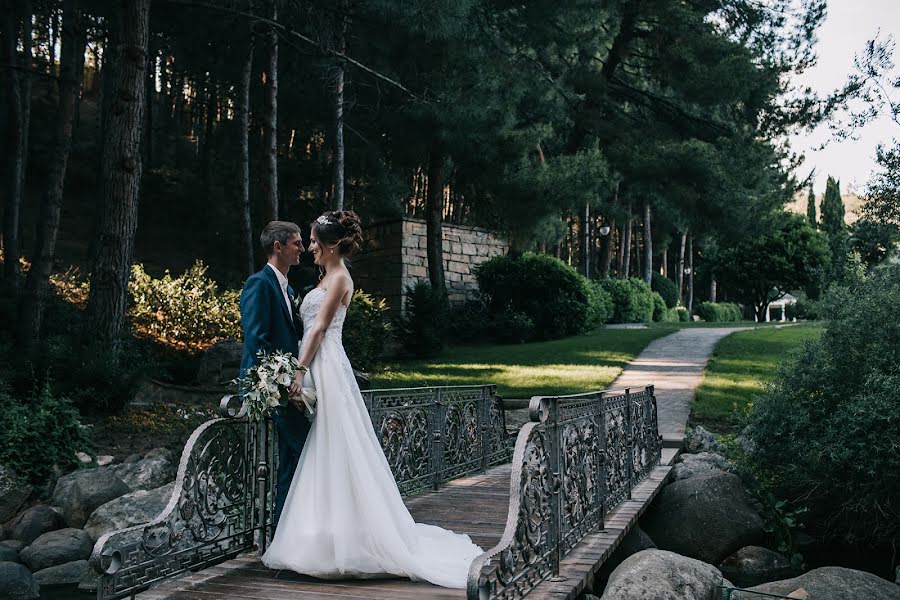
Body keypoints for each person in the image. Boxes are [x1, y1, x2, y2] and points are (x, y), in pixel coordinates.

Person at [262, 210, 482, 589]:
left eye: (314, 240)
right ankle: (325, 533)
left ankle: (348, 539)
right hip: (317, 363)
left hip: (326, 365)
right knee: (323, 447)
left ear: (331, 245)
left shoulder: (341, 277)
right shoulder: (326, 276)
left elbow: (318, 329)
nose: (310, 246)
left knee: (335, 444)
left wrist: (298, 371)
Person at [239, 221, 311, 528]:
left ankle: (287, 532)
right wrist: (275, 384)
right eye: (296, 243)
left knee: (292, 462)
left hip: (290, 387)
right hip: (272, 390)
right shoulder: (259, 284)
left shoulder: (288, 288)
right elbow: (256, 339)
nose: (302, 248)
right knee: (301, 453)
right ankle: (285, 531)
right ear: (277, 247)